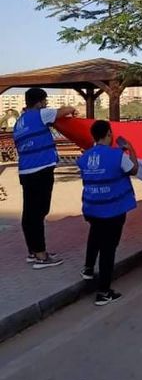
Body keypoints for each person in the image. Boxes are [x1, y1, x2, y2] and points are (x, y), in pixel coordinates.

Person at [13, 87, 77, 268]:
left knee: (30, 213)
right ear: (40, 102)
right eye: (45, 101)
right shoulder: (41, 114)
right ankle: (42, 256)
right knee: (38, 213)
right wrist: (72, 109)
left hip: (25, 171)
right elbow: (66, 110)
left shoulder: (20, 122)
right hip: (41, 170)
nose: (46, 104)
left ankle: (33, 252)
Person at [77, 121, 138, 306]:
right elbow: (134, 170)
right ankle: (103, 292)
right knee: (108, 249)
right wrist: (131, 150)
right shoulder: (117, 155)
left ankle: (88, 269)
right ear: (109, 133)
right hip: (112, 209)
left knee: (95, 235)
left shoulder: (85, 157)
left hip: (92, 207)